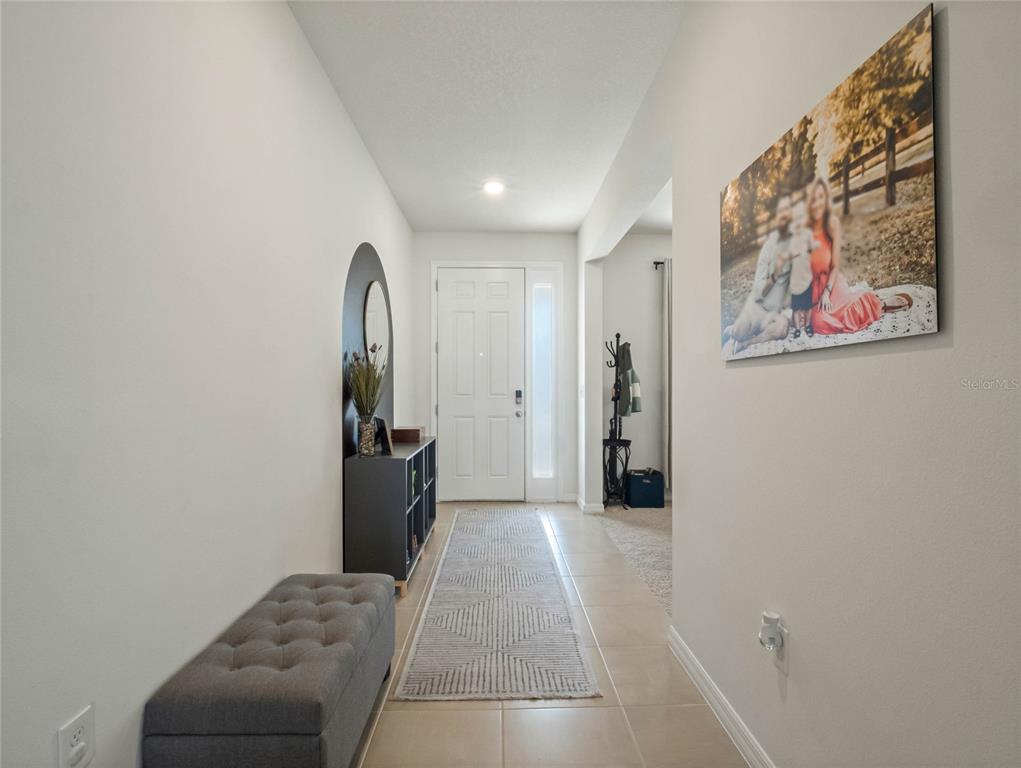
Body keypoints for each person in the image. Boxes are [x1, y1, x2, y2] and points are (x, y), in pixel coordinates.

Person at [805, 178, 911, 335]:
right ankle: (868, 305)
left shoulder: (832, 224)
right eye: (814, 198)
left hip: (831, 285)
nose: (818, 202)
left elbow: (835, 266)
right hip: (813, 289)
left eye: (821, 197)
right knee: (818, 322)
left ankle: (879, 304)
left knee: (830, 316)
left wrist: (826, 292)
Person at [722, 195, 795, 354]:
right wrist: (775, 273)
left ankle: (750, 342)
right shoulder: (769, 248)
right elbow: (758, 290)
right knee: (738, 333)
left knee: (781, 330)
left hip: (776, 313)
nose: (785, 214)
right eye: (781, 210)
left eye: (788, 210)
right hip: (758, 307)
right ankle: (731, 330)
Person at [786, 199, 815, 338]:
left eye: (801, 217)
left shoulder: (808, 233)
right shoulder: (792, 237)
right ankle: (798, 328)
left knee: (808, 304)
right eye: (796, 218)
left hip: (806, 272)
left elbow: (811, 248)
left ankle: (808, 325)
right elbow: (789, 254)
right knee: (796, 307)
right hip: (796, 276)